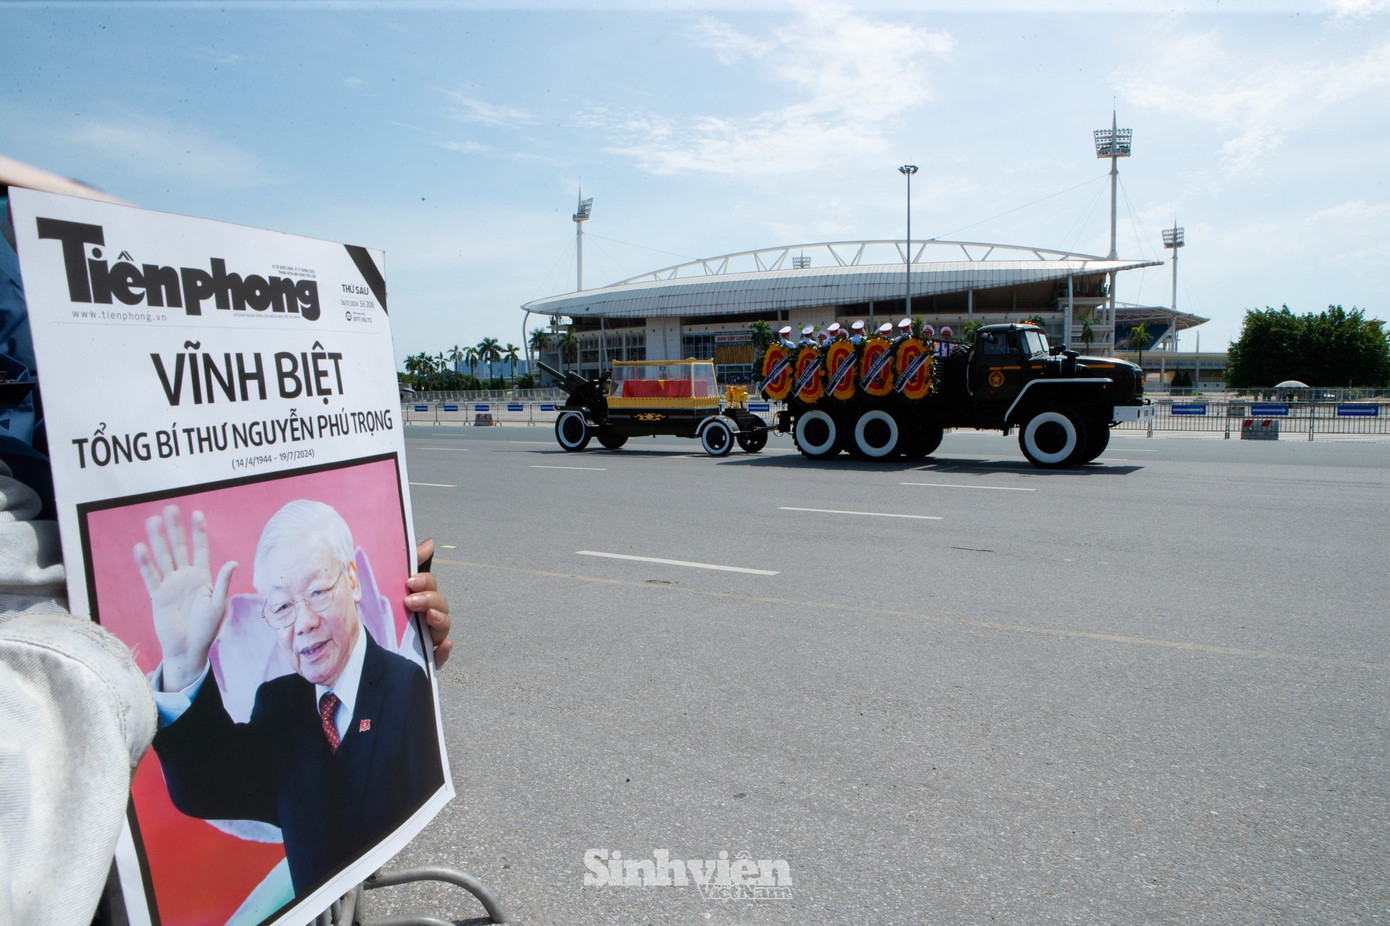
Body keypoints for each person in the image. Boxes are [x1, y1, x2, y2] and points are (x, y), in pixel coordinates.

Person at [142, 501, 447, 896]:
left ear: (353, 582)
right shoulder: (279, 704)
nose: (303, 623)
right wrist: (184, 658)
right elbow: (207, 785)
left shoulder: (404, 683)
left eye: (318, 591)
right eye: (283, 606)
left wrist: (423, 641)